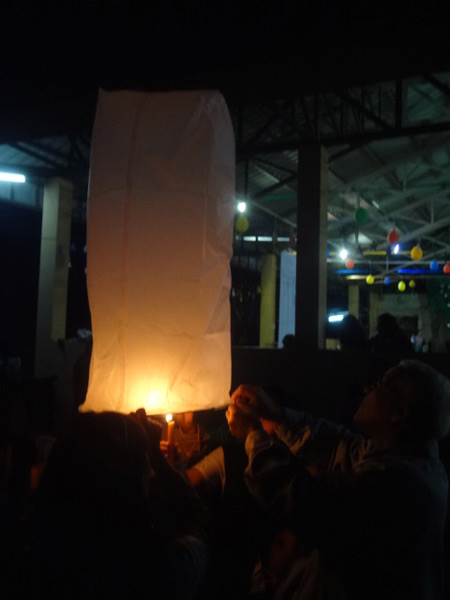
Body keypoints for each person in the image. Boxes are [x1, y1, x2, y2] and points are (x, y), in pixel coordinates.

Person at [226, 360, 450, 600]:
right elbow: (337, 446)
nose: (367, 389)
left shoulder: (395, 487)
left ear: (399, 412)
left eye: (379, 386)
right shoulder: (408, 458)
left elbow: (300, 497)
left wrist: (253, 435)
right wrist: (278, 416)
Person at [30, 409, 208, 600]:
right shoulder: (158, 575)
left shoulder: (37, 561)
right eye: (145, 466)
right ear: (131, 486)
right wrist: (157, 458)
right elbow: (198, 520)